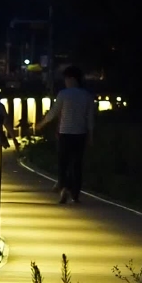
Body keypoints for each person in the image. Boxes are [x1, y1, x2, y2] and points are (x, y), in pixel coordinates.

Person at [35, 66, 95, 204]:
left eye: (66, 79)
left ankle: (63, 187)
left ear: (72, 79)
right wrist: (90, 136)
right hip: (80, 134)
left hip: (65, 133)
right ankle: (75, 193)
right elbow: (90, 118)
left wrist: (41, 124)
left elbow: (54, 113)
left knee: (63, 162)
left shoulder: (64, 94)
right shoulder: (87, 95)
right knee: (77, 164)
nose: (65, 82)